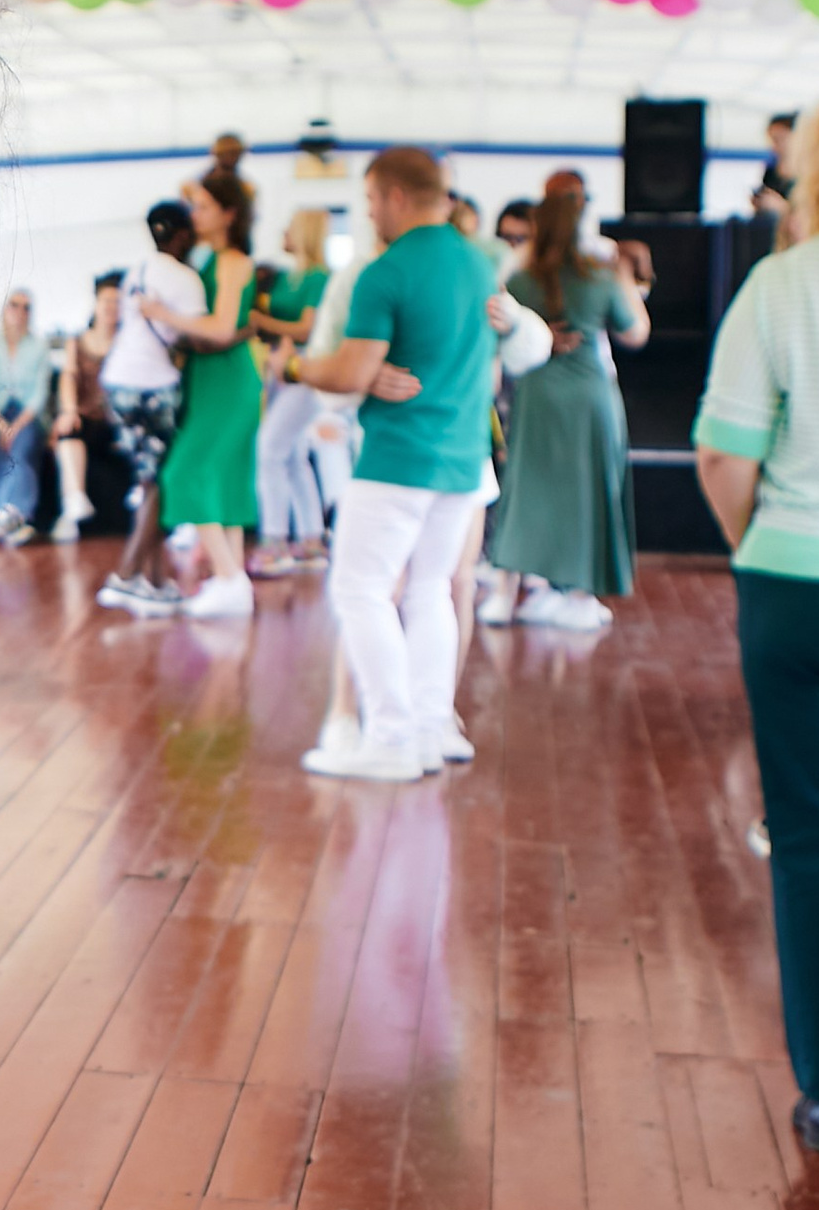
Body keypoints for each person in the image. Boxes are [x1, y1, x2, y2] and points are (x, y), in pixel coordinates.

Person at [695, 81, 819, 1156]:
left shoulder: (780, 285)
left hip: (799, 583)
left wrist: (758, 549)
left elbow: (723, 456)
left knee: (813, 836)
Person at [297, 143, 499, 782]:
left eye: (369, 201)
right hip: (464, 459)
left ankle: (389, 737)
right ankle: (434, 726)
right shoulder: (479, 264)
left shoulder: (385, 272)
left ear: (394, 197)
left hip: (399, 457)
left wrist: (301, 365)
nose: (370, 215)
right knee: (431, 589)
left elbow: (350, 372)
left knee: (359, 589)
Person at [482, 185, 647, 632]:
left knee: (525, 490)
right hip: (589, 393)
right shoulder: (602, 275)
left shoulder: (518, 279)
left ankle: (504, 593)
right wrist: (627, 278)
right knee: (591, 491)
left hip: (536, 391)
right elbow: (636, 333)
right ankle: (578, 594)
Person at [157, 144, 261, 620]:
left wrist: (162, 314)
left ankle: (229, 578)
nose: (194, 214)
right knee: (226, 480)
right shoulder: (211, 258)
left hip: (229, 379)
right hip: (208, 378)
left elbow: (221, 326)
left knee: (187, 472)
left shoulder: (234, 260)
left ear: (228, 213)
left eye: (203, 207)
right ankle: (231, 579)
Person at [97, 201, 205, 611]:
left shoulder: (136, 270)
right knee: (158, 484)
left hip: (118, 384)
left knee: (148, 482)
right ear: (181, 235)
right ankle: (125, 577)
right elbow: (195, 337)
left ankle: (157, 583)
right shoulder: (187, 278)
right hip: (154, 387)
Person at [250, 204, 335, 569]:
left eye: (289, 228)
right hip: (277, 372)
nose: (283, 234)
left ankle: (274, 541)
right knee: (293, 455)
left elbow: (306, 330)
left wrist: (259, 320)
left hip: (303, 371)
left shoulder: (319, 278)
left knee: (269, 450)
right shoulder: (285, 278)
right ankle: (311, 538)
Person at [0, 288, 51, 542]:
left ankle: (13, 511)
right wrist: (1, 426)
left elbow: (39, 394)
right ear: (5, 309)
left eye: (27, 307)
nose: (20, 312)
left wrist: (15, 428)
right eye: (15, 305)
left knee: (22, 448)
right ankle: (6, 515)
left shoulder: (39, 346)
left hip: (27, 416)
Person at [50, 272, 124, 538]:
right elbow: (69, 376)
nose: (111, 307)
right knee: (69, 431)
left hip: (120, 420)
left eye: (117, 301)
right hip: (88, 416)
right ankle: (73, 505)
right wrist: (69, 409)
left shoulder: (128, 342)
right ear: (96, 303)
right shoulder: (78, 341)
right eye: (106, 301)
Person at [753, 114, 799, 221]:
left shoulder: (809, 175)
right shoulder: (770, 171)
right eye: (772, 140)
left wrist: (781, 207)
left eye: (779, 139)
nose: (774, 146)